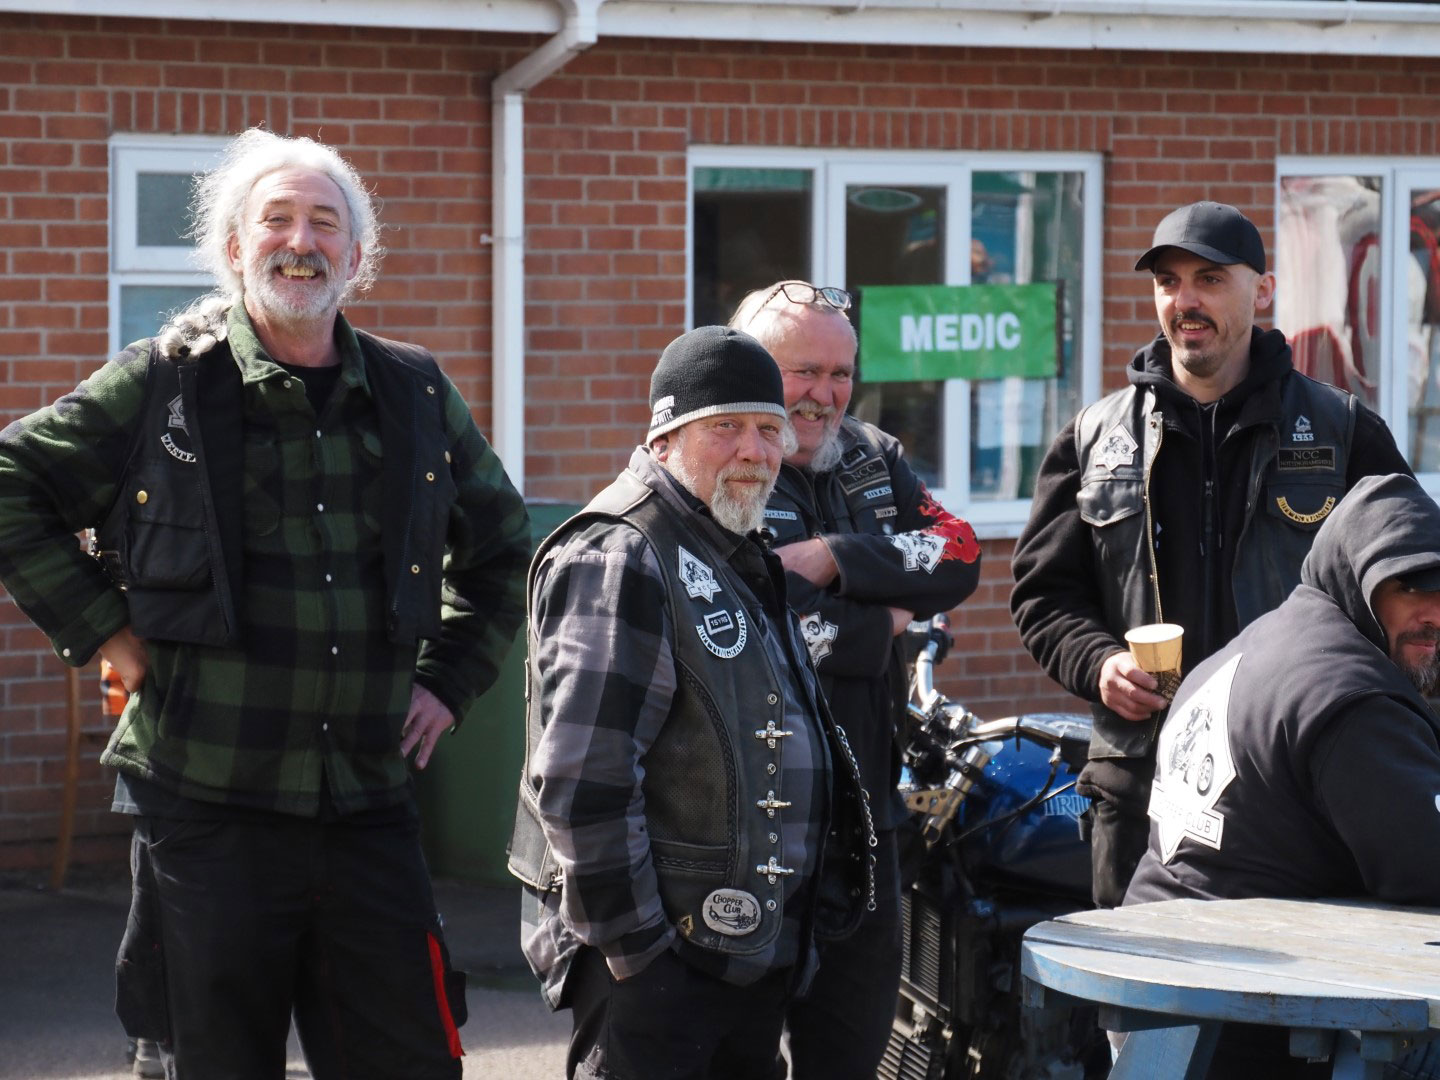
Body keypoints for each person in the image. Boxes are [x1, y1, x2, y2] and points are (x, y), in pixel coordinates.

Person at [0, 128, 531, 1078]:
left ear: (356, 256)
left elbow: (503, 549)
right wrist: (104, 632)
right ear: (234, 247)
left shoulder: (414, 392)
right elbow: (10, 482)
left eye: (325, 223)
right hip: (206, 809)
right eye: (276, 219)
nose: (301, 241)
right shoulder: (161, 384)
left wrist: (450, 681)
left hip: (368, 805)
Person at [1010, 200, 1411, 908]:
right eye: (1168, 282)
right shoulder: (1095, 439)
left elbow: (1407, 592)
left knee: (1296, 975)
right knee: (1139, 977)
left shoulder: (1344, 431)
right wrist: (1098, 664)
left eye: (1210, 279)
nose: (1185, 301)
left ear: (1263, 290)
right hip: (1140, 785)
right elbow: (1044, 596)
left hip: (1297, 784)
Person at [508, 325, 876, 1080]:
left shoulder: (721, 540)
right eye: (725, 427)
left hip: (735, 957)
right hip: (658, 967)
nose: (753, 451)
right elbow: (582, 782)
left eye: (768, 430)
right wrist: (640, 951)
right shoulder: (623, 552)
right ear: (665, 437)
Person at [728, 280, 982, 1078]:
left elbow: (961, 555)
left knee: (852, 1057)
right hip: (750, 832)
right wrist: (884, 621)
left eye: (840, 373)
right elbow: (758, 623)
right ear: (752, 369)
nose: (824, 394)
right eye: (803, 371)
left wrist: (833, 558)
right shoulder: (726, 461)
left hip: (870, 825)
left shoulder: (874, 455)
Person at [1124, 472, 1440, 1076]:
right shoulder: (1352, 699)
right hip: (1247, 1019)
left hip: (1153, 988)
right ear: (1356, 578)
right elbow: (1426, 866)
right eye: (1408, 588)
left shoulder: (1257, 646)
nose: (1433, 613)